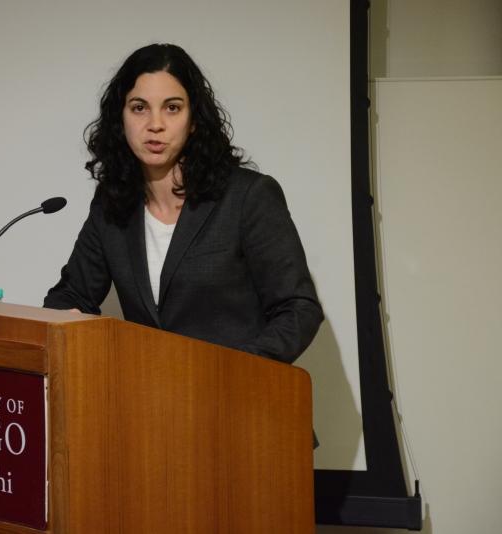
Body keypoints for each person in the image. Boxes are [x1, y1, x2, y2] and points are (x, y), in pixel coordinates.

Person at [44, 43, 323, 364]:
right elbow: (72, 294)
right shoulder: (112, 203)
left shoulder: (248, 196)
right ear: (120, 118)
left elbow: (298, 309)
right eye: (139, 107)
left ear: (193, 120)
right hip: (147, 398)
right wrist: (65, 323)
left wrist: (236, 369)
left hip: (236, 397)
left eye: (172, 107)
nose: (155, 124)